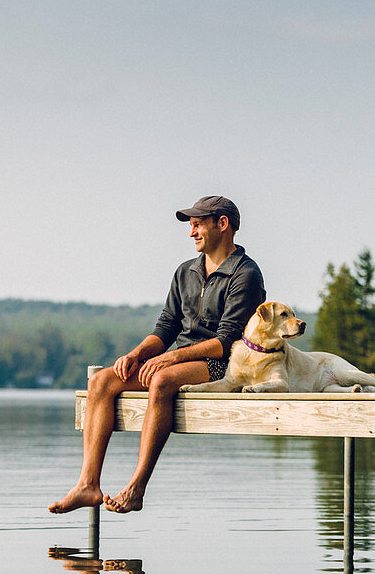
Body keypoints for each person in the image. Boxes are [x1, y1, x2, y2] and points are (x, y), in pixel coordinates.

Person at [49, 195, 265, 516]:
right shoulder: (185, 272)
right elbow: (165, 328)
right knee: (101, 382)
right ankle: (87, 485)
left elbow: (227, 342)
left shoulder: (245, 273)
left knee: (162, 379)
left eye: (197, 225)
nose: (191, 232)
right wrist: (137, 354)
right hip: (186, 360)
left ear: (223, 224)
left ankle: (136, 487)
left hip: (227, 365)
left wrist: (169, 359)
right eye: (190, 226)